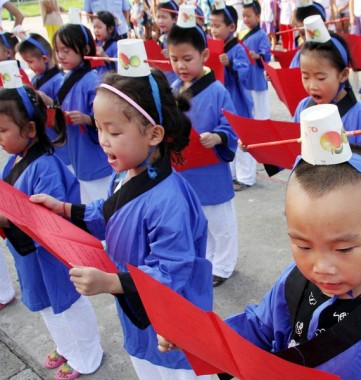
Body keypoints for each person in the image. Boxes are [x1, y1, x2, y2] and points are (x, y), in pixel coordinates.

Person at [158, 134, 361, 378]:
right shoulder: (294, 280)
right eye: (303, 246)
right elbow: (259, 330)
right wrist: (197, 339)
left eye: (342, 249)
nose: (321, 267)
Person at [31, 48, 214, 379]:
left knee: (171, 372)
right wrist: (63, 208)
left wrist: (110, 281)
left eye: (114, 132)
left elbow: (171, 271)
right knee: (144, 365)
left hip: (168, 322)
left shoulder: (169, 201)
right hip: (135, 304)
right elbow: (107, 213)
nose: (103, 141)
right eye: (99, 129)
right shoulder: (125, 174)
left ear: (154, 134)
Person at [0, 78, 103, 380]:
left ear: (30, 129)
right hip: (27, 252)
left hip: (51, 254)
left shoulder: (46, 166)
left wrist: (6, 219)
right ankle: (66, 346)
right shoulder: (13, 161)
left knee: (67, 304)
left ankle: (87, 355)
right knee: (45, 305)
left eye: (3, 130)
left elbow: (49, 218)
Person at [168, 12, 240, 288]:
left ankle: (224, 265)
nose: (181, 66)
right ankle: (208, 260)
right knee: (198, 219)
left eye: (187, 59)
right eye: (175, 59)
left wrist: (219, 136)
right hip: (186, 168)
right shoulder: (174, 88)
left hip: (211, 167)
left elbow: (232, 123)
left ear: (204, 55)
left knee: (221, 221)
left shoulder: (218, 90)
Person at [294, 16, 361, 171]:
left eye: (320, 77)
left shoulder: (360, 117)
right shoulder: (303, 108)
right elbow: (293, 150)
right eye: (305, 76)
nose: (312, 85)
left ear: (343, 75)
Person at [44, 24, 113, 202]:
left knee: (101, 201)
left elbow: (109, 119)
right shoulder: (67, 77)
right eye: (57, 50)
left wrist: (87, 119)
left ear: (85, 49)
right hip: (79, 154)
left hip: (96, 159)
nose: (60, 55)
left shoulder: (92, 80)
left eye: (66, 50)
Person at [235, 0, 272, 191]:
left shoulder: (261, 34)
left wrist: (258, 55)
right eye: (244, 15)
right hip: (245, 82)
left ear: (258, 16)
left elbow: (268, 55)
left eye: (250, 15)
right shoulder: (240, 34)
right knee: (247, 121)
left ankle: (263, 153)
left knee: (259, 120)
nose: (247, 19)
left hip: (257, 81)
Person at [17, 33, 69, 166]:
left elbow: (63, 115)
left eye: (30, 62)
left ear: (45, 58)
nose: (29, 67)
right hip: (47, 142)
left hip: (61, 146)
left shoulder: (59, 81)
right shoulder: (36, 78)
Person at [288, 1, 327, 67]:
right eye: (302, 33)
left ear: (324, 26)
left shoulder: (333, 54)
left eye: (311, 32)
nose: (307, 37)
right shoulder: (299, 56)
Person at [156, 0, 180, 84]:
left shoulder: (180, 37)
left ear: (175, 19)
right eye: (158, 17)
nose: (160, 21)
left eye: (164, 17)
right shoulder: (163, 38)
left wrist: (173, 55)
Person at [93, 11, 118, 78]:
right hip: (99, 79)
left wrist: (104, 56)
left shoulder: (115, 46)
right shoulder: (98, 44)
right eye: (94, 27)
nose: (96, 31)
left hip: (111, 81)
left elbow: (119, 67)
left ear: (110, 29)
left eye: (99, 27)